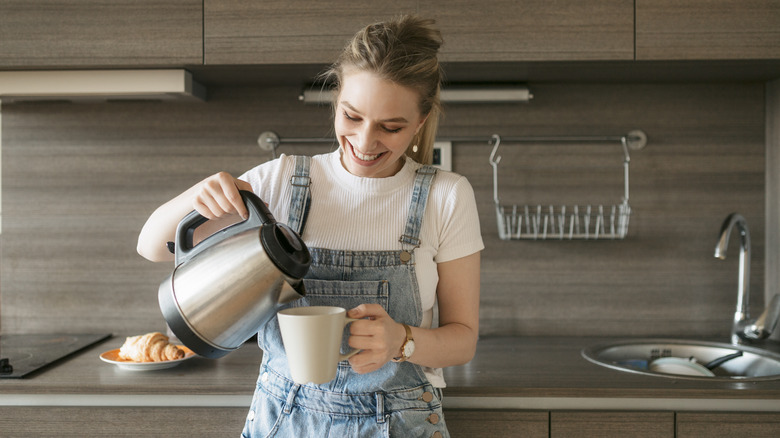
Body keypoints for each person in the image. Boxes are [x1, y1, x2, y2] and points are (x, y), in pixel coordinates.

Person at [137, 15, 483, 438]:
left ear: (421, 121)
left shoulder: (446, 195)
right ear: (336, 101)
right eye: (352, 117)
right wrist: (196, 197)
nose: (365, 141)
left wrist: (401, 341)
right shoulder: (279, 182)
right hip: (284, 418)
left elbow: (462, 340)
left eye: (390, 127)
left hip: (400, 421)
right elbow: (152, 245)